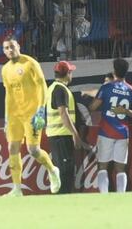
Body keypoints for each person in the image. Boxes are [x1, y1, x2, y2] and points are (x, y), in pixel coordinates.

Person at [0, 38, 60, 196]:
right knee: (12, 147)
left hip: (32, 113)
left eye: (12, 46)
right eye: (6, 48)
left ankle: (52, 170)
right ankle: (17, 189)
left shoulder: (30, 63)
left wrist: (41, 110)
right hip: (14, 115)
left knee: (33, 150)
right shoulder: (5, 69)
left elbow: (42, 87)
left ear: (18, 46)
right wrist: (7, 116)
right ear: (4, 51)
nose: (10, 50)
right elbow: (8, 94)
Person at [89, 58, 132, 193]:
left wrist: (101, 100)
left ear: (114, 71)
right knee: (121, 168)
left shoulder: (106, 88)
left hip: (106, 132)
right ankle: (121, 196)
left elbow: (92, 107)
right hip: (123, 133)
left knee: (102, 166)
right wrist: (126, 111)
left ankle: (104, 196)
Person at [46, 60, 87, 194]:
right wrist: (76, 135)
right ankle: (62, 199)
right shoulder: (60, 89)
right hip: (61, 136)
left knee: (64, 170)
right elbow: (63, 113)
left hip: (57, 135)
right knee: (65, 171)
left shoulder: (52, 88)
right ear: (67, 73)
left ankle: (62, 199)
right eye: (71, 72)